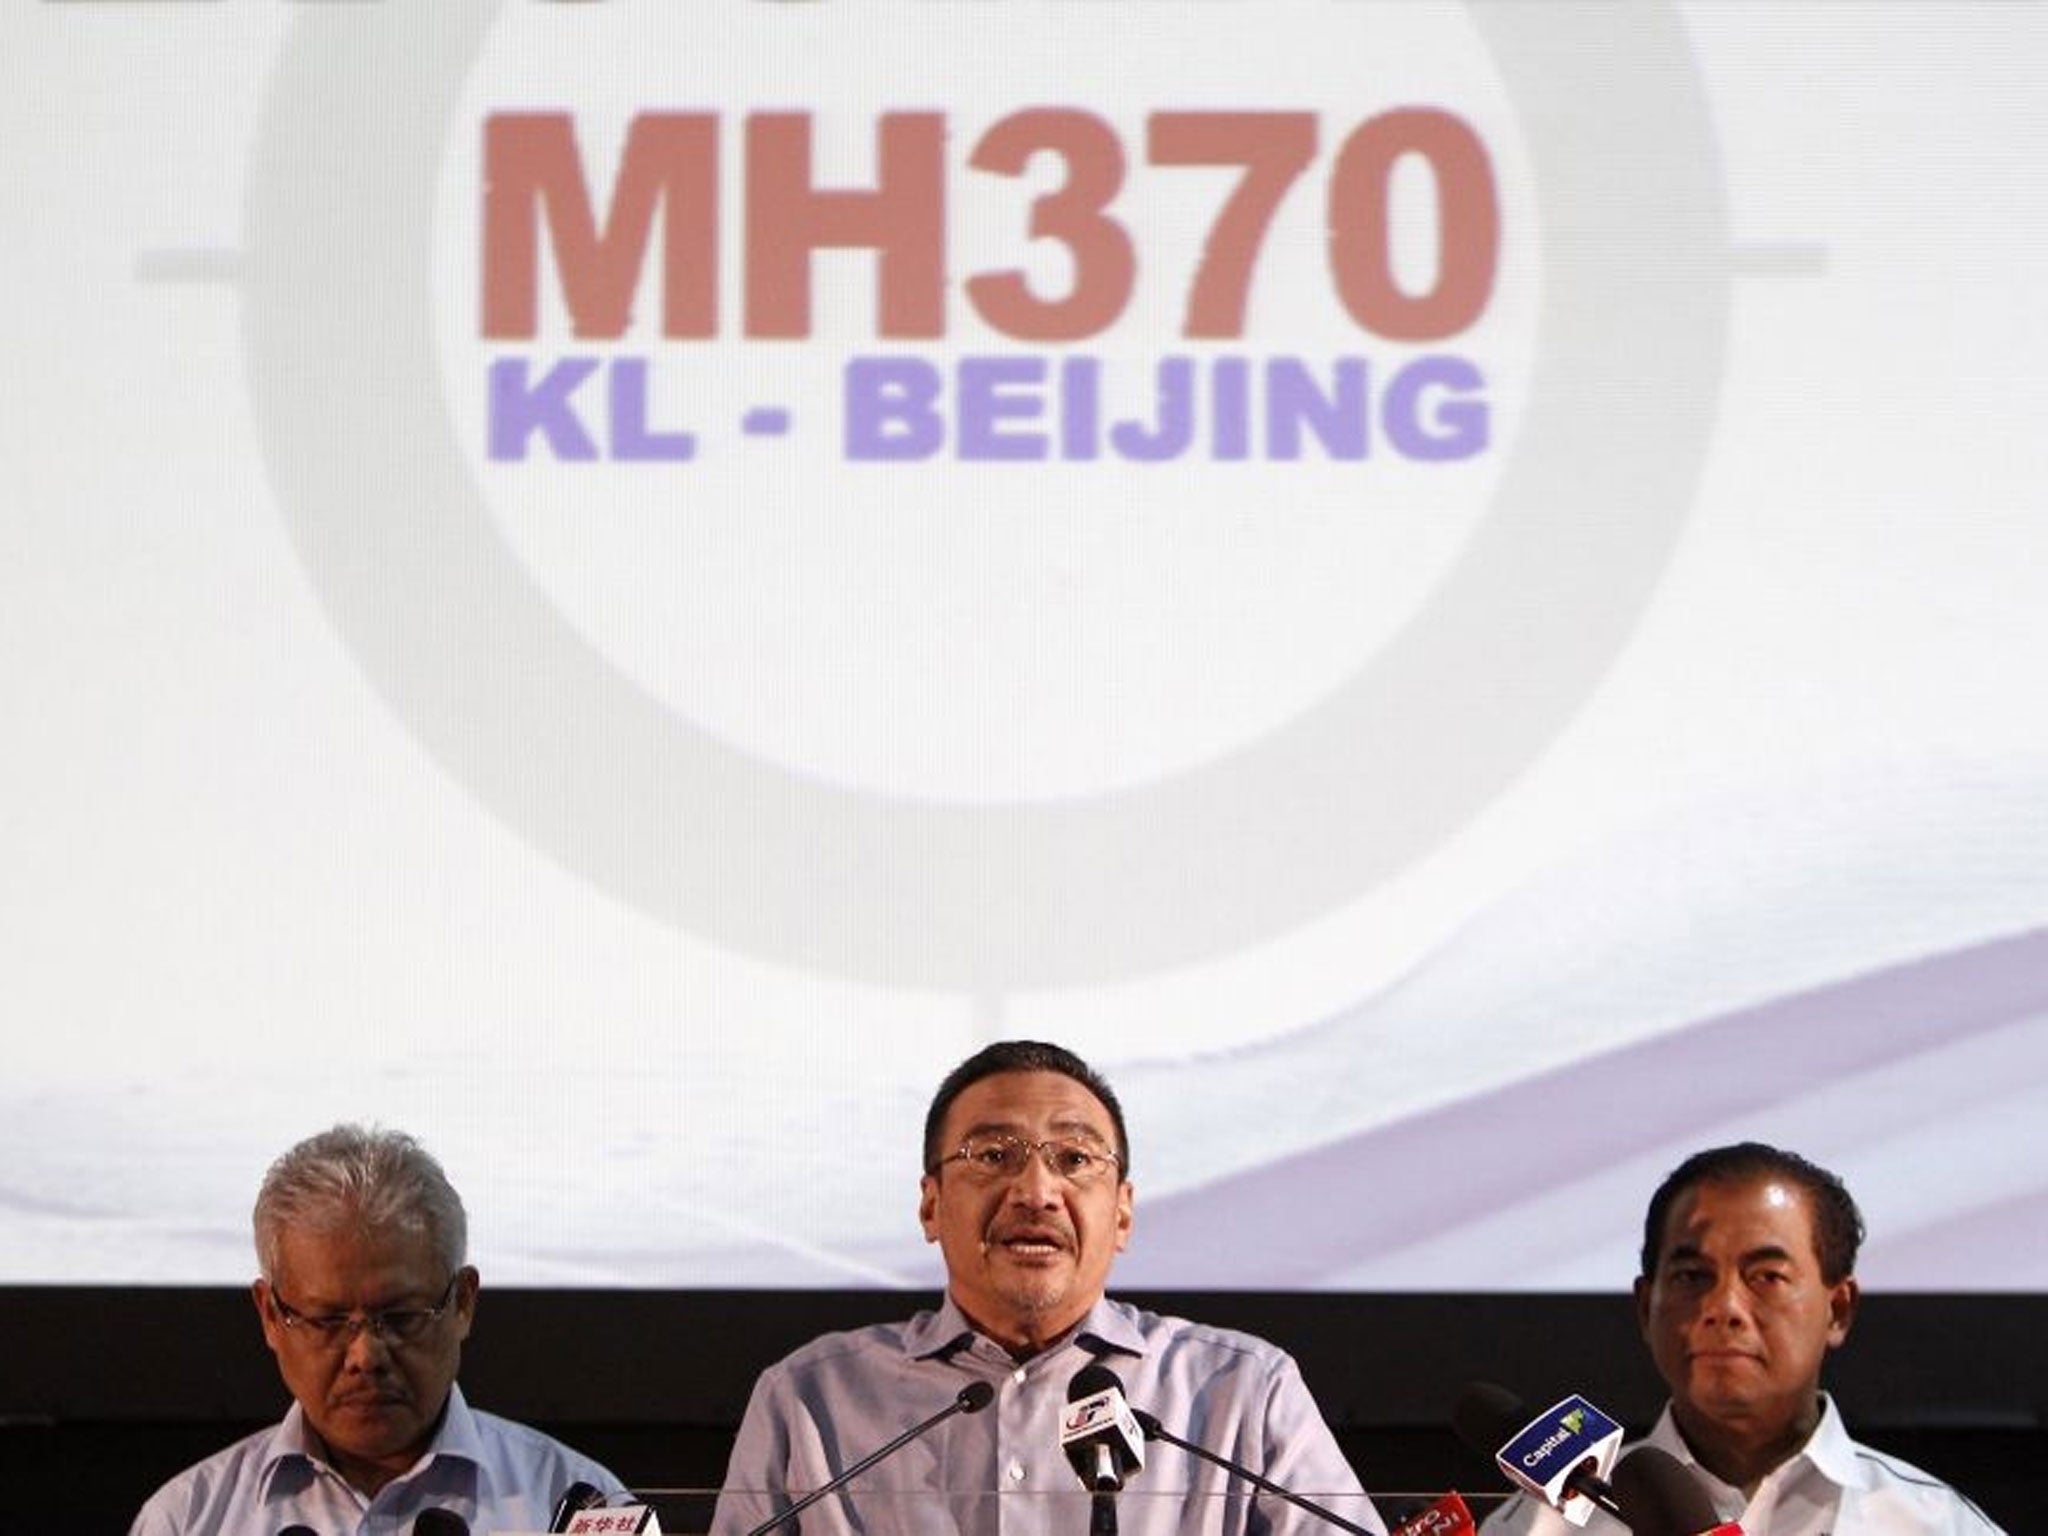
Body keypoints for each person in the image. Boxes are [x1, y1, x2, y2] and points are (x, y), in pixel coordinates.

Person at [711, 1039, 1385, 1536]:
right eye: (994, 1156)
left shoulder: (1245, 1394)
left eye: (1074, 1160)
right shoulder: (809, 1400)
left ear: (1121, 1212)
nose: (1036, 1192)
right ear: (930, 1205)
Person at [1479, 1142, 2004, 1535]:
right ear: (1646, 1306)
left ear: (1838, 1310)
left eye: (1766, 1277)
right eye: (1692, 1277)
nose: (1724, 1308)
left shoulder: (1933, 1524)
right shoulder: (1543, 1525)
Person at [131, 1123, 624, 1535]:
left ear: (463, 1303)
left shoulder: (580, 1505)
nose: (365, 1355)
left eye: (401, 1317)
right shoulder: (189, 1518)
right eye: (327, 1321)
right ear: (269, 1315)